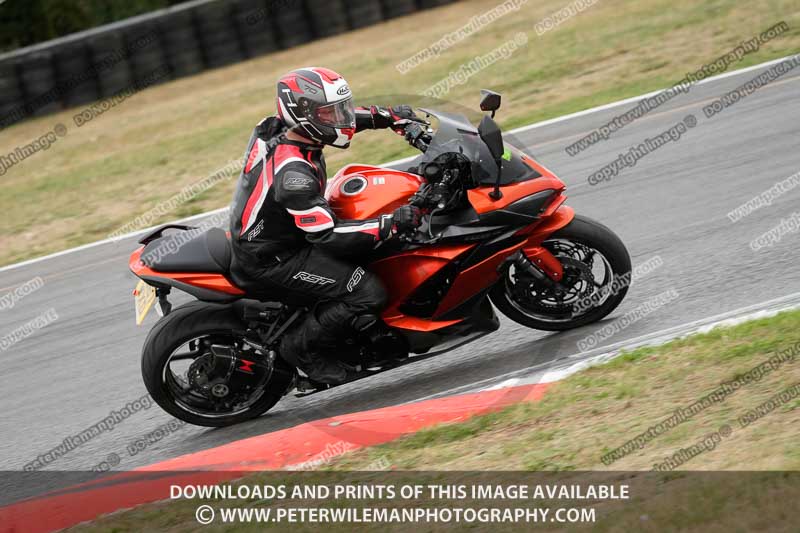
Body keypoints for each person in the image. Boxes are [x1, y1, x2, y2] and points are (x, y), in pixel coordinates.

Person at [229, 67, 424, 385]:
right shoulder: (294, 177)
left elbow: (340, 121)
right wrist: (389, 224)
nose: (341, 119)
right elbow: (328, 235)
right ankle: (300, 349)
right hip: (275, 257)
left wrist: (387, 116)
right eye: (331, 113)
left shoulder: (276, 127)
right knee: (368, 291)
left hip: (279, 233)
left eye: (340, 109)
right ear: (304, 116)